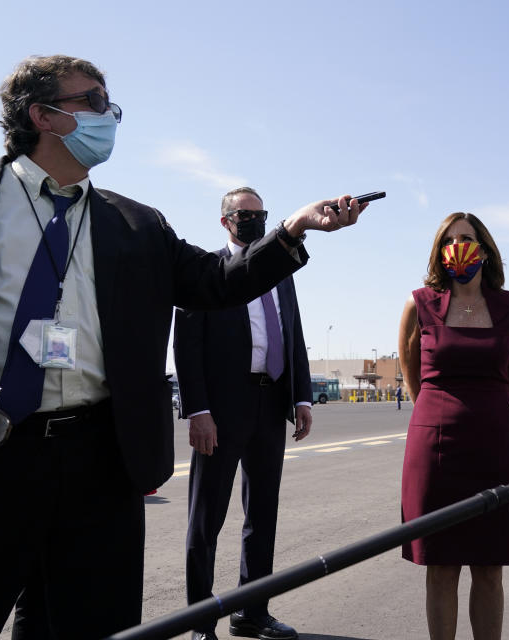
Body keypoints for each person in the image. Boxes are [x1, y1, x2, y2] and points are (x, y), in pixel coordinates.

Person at [0, 54, 371, 640]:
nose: (107, 114)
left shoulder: (136, 224)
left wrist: (290, 229)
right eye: (91, 101)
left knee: (93, 625)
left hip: (100, 460)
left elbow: (219, 283)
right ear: (42, 115)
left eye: (110, 102)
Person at [174, 187, 313, 640]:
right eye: (244, 214)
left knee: (263, 514)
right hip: (221, 410)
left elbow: (293, 334)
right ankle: (200, 623)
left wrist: (302, 398)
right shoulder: (208, 271)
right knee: (207, 518)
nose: (253, 220)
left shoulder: (280, 272)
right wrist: (198, 410)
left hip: (270, 403)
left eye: (261, 214)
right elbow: (187, 349)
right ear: (225, 221)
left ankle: (251, 611)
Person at [397, 212, 509, 640]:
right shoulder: (418, 304)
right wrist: (439, 414)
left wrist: (483, 410)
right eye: (449, 241)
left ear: (486, 249)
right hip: (435, 452)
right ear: (439, 253)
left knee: (490, 568)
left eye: (468, 239)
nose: (459, 247)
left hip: (496, 448)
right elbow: (412, 374)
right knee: (441, 566)